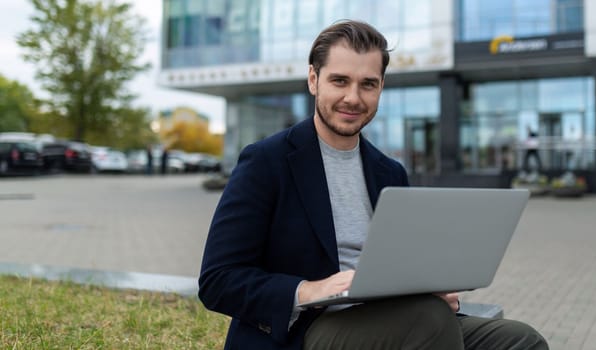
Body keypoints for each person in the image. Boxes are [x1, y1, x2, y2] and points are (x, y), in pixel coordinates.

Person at [198, 20, 548, 350]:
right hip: (306, 329)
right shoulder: (266, 161)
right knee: (428, 321)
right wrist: (309, 290)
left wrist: (428, 289)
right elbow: (218, 280)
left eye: (368, 84)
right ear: (313, 80)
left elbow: (402, 265)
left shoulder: (389, 172)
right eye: (339, 81)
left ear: (380, 87)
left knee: (519, 340)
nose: (354, 97)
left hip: (395, 315)